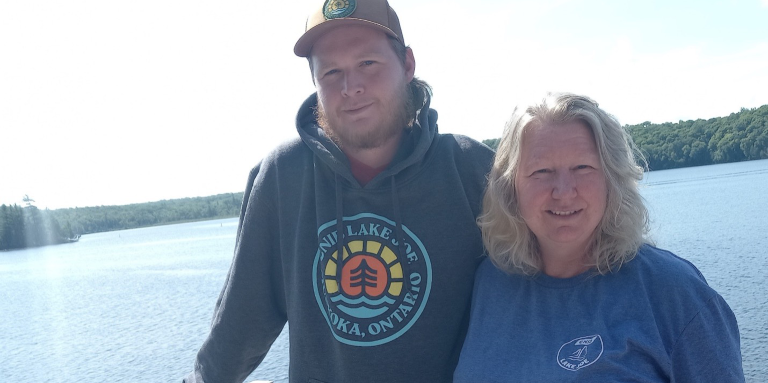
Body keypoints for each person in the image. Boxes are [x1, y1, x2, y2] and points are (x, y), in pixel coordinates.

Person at [183, 1, 494, 382]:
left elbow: (540, 284)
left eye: (367, 64)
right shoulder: (284, 176)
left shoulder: (470, 168)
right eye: (331, 72)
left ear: (408, 65)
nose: (351, 88)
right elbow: (241, 324)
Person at [453, 93, 745, 382]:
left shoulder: (675, 294)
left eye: (583, 167)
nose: (564, 191)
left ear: (611, 179)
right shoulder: (489, 282)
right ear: (510, 187)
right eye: (541, 171)